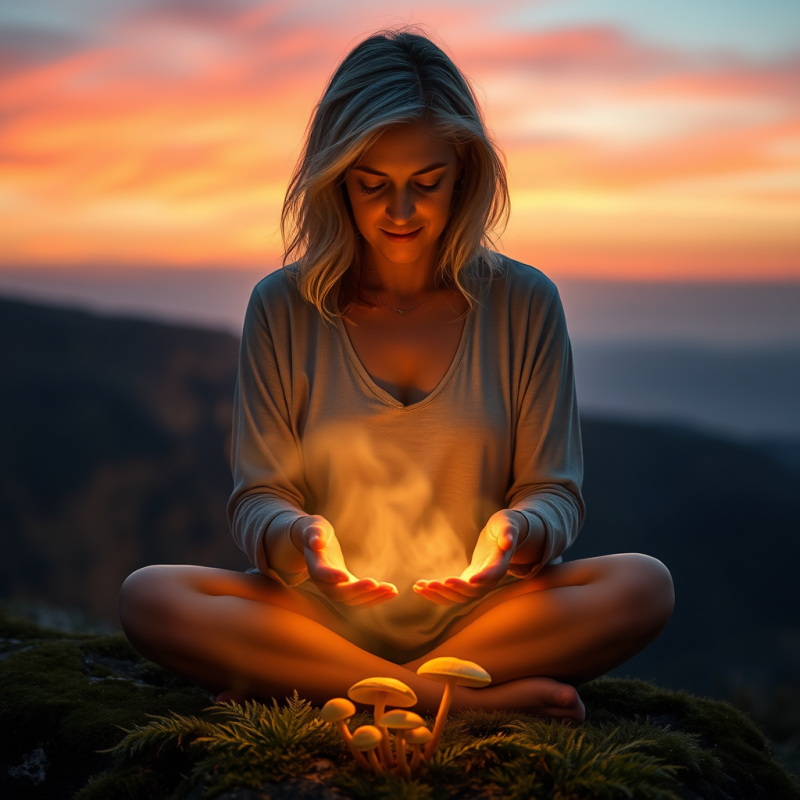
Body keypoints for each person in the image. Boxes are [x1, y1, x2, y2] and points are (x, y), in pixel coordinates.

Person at [119, 28, 674, 723]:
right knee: (150, 596)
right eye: (373, 185)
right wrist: (300, 542)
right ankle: (459, 706)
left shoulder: (526, 303)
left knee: (645, 585)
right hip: (322, 615)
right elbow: (259, 495)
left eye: (428, 184)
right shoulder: (283, 307)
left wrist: (518, 533)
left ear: (465, 177)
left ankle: (327, 688)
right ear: (336, 181)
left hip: (483, 620)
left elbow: (553, 491)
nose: (402, 212)